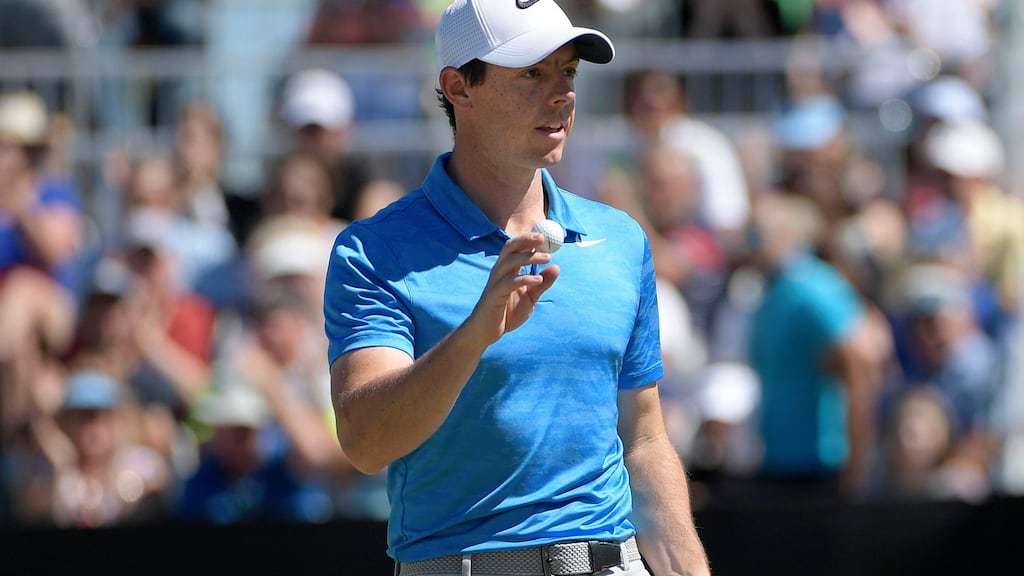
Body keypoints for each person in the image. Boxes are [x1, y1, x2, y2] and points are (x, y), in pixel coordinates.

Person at [323, 1, 711, 575]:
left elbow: (644, 440)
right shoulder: (375, 249)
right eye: (531, 72)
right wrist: (476, 335)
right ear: (458, 87)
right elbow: (365, 442)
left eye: (568, 71)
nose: (560, 93)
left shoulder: (622, 240)